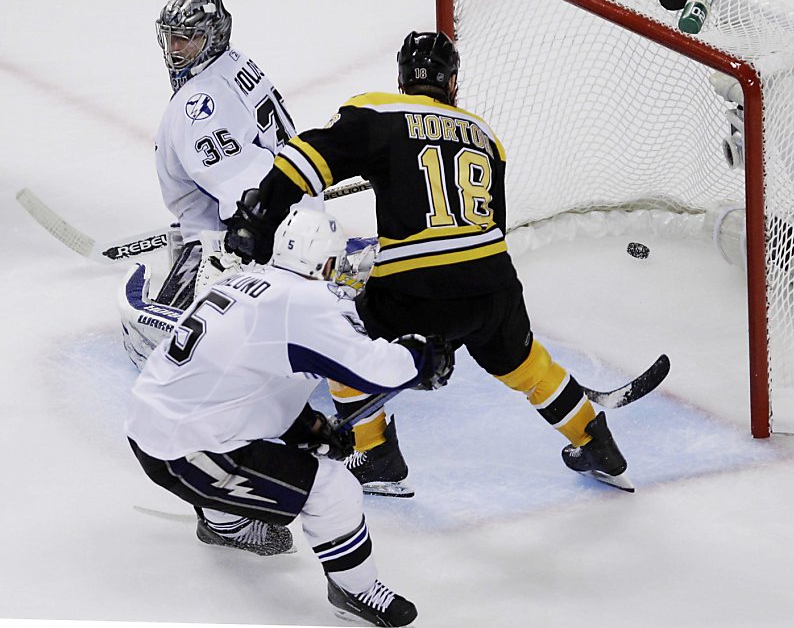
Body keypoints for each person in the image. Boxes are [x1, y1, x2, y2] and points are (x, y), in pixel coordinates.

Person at [223, 30, 635, 495]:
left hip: (415, 290)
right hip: (494, 284)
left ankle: (374, 452)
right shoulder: (486, 136)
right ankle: (594, 439)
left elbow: (305, 156)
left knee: (344, 339)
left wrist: (261, 219)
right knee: (524, 364)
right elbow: (485, 228)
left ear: (402, 77)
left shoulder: (378, 111)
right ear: (452, 82)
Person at [126, 207, 453, 627]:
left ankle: (222, 521)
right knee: (333, 489)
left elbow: (249, 382)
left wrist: (306, 426)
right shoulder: (306, 302)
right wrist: (420, 358)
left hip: (152, 430)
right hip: (188, 453)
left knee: (246, 444)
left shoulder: (246, 282)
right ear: (326, 263)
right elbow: (369, 369)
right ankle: (355, 590)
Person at [119, 0, 320, 368]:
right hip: (297, 210)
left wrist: (238, 247)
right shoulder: (236, 64)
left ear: (213, 38)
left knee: (173, 352)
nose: (176, 50)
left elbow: (249, 194)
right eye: (172, 39)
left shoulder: (199, 105)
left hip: (270, 237)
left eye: (188, 40)